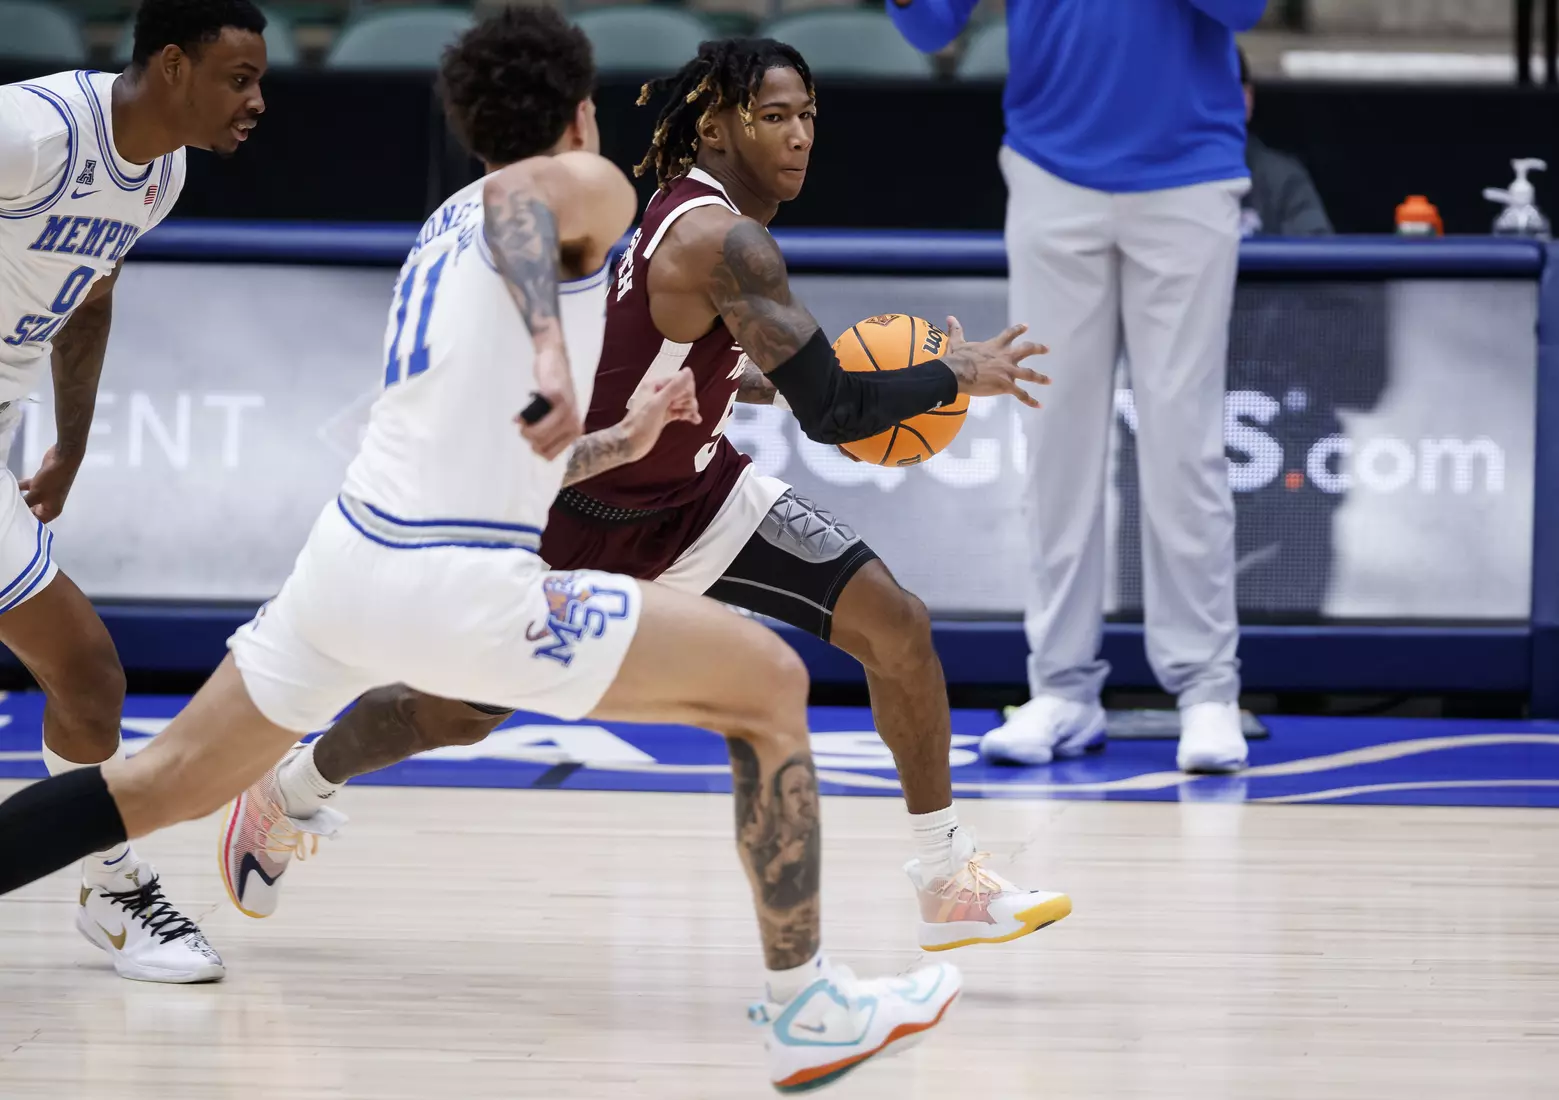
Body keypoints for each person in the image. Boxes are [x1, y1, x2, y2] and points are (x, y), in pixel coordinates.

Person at [0, 10, 962, 1090]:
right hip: (456, 576)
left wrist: (621, 436)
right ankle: (807, 1008)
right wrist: (553, 353)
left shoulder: (441, 221)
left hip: (342, 565)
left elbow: (509, 376)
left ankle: (263, 801)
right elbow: (525, 209)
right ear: (580, 114)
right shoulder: (585, 188)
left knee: (160, 780)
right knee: (768, 684)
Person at [228, 37, 1069, 955]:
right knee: (453, 714)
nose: (798, 137)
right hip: (576, 513)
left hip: (697, 497)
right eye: (773, 117)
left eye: (807, 116)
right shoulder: (720, 239)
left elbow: (727, 366)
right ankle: (290, 790)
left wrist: (890, 379)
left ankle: (946, 877)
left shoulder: (703, 215)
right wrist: (953, 374)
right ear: (714, 129)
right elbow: (833, 411)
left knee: (896, 625)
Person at [889, 0, 1263, 773]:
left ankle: (1205, 690)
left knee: (1183, 442)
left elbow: (1246, 8)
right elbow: (929, 26)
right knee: (1052, 435)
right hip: (1050, 169)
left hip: (1187, 173)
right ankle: (1060, 686)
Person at [0, 0, 267, 982]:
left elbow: (89, 299)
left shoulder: (161, 173)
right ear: (173, 64)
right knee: (89, 673)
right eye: (239, 78)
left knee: (86, 680)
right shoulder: (31, 133)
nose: (257, 101)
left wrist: (69, 444)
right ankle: (112, 885)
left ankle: (105, 888)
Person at [1238, 47, 1332, 237]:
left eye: (1220, 92)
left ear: (1247, 98)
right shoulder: (1173, 177)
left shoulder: (1282, 178)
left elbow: (1316, 247)